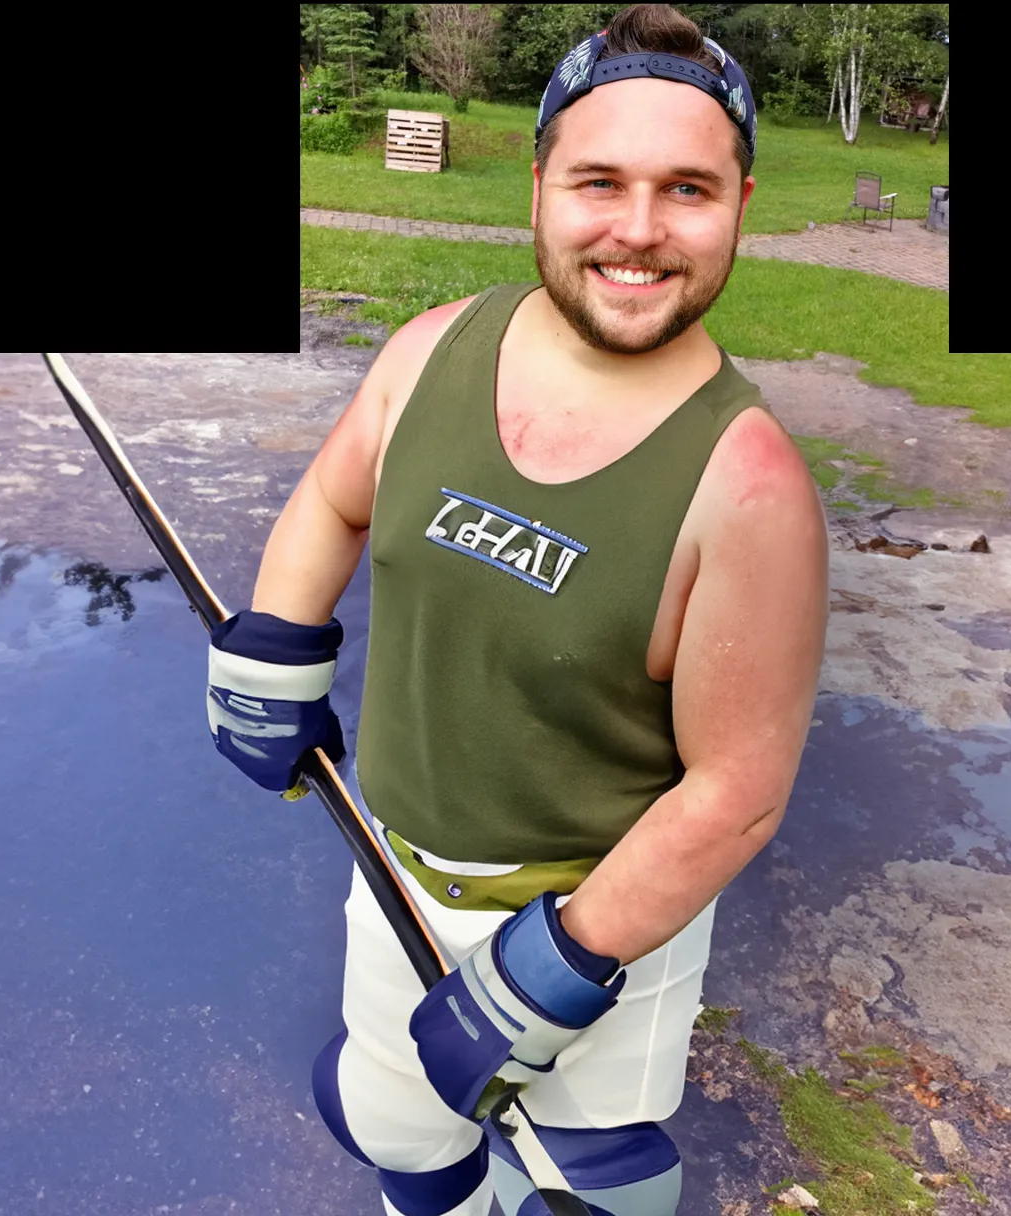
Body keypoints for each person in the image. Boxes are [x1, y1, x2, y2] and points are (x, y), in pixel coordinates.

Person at [208, 5, 828, 1214]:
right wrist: (277, 641)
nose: (638, 231)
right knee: (389, 1121)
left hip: (595, 924)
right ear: (537, 181)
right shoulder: (425, 351)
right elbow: (332, 505)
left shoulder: (749, 488)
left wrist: (561, 964)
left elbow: (734, 792)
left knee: (594, 1187)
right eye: (598, 180)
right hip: (391, 859)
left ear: (740, 201)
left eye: (686, 189)